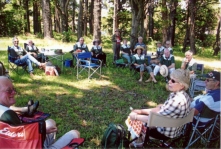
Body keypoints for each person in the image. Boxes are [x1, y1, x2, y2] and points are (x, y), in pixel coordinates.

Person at [0, 76, 80, 149]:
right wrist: (43, 131)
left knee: (50, 122)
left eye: (13, 89)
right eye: (9, 90)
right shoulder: (7, 115)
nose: (13, 92)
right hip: (31, 145)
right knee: (75, 133)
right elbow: (25, 141)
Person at [126, 69, 191, 146]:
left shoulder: (175, 101)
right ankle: (141, 138)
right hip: (175, 128)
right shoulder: (185, 96)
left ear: (182, 85)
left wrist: (135, 116)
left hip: (164, 133)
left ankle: (138, 141)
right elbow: (160, 109)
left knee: (133, 119)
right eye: (170, 79)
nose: (169, 81)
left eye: (173, 81)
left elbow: (154, 119)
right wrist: (141, 111)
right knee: (152, 110)